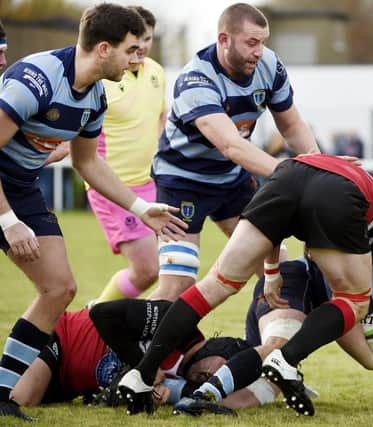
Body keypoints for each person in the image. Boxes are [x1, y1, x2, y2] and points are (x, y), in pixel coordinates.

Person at [118, 153, 373, 417]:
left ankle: (142, 374)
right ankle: (286, 360)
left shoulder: (331, 168)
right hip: (338, 193)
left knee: (215, 283)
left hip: (286, 174)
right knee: (354, 300)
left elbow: (284, 224)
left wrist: (272, 272)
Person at [0, 4, 186, 420]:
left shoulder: (96, 95)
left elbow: (88, 163)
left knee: (60, 288)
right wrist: (8, 221)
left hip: (20, 186)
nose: (139, 60)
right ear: (104, 48)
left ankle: (2, 393)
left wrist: (142, 209)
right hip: (5, 190)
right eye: (132, 50)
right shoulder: (37, 80)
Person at [172, 250, 373, 416]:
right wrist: (372, 361)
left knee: (258, 395)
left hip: (314, 314)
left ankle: (170, 392)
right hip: (297, 282)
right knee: (279, 347)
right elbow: (343, 324)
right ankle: (198, 393)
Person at [149, 3, 319, 302]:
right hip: (182, 183)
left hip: (232, 180)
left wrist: (318, 165)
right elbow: (231, 144)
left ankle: (269, 346)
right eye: (251, 42)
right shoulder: (196, 80)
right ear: (224, 39)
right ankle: (115, 343)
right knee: (178, 285)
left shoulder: (269, 65)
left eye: (263, 42)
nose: (259, 51)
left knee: (278, 268)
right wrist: (296, 175)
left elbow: (291, 124)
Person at [8, 299, 241, 416]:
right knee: (19, 400)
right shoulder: (175, 320)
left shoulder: (184, 383)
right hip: (61, 339)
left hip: (71, 386)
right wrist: (143, 368)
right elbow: (102, 313)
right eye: (216, 368)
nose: (210, 377)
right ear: (216, 347)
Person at [89, 6, 168, 304]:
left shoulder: (156, 71)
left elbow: (161, 116)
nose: (143, 47)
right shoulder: (103, 79)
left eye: (148, 39)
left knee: (174, 267)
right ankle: (93, 319)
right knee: (147, 268)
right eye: (137, 41)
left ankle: (147, 334)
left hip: (151, 183)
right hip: (114, 187)